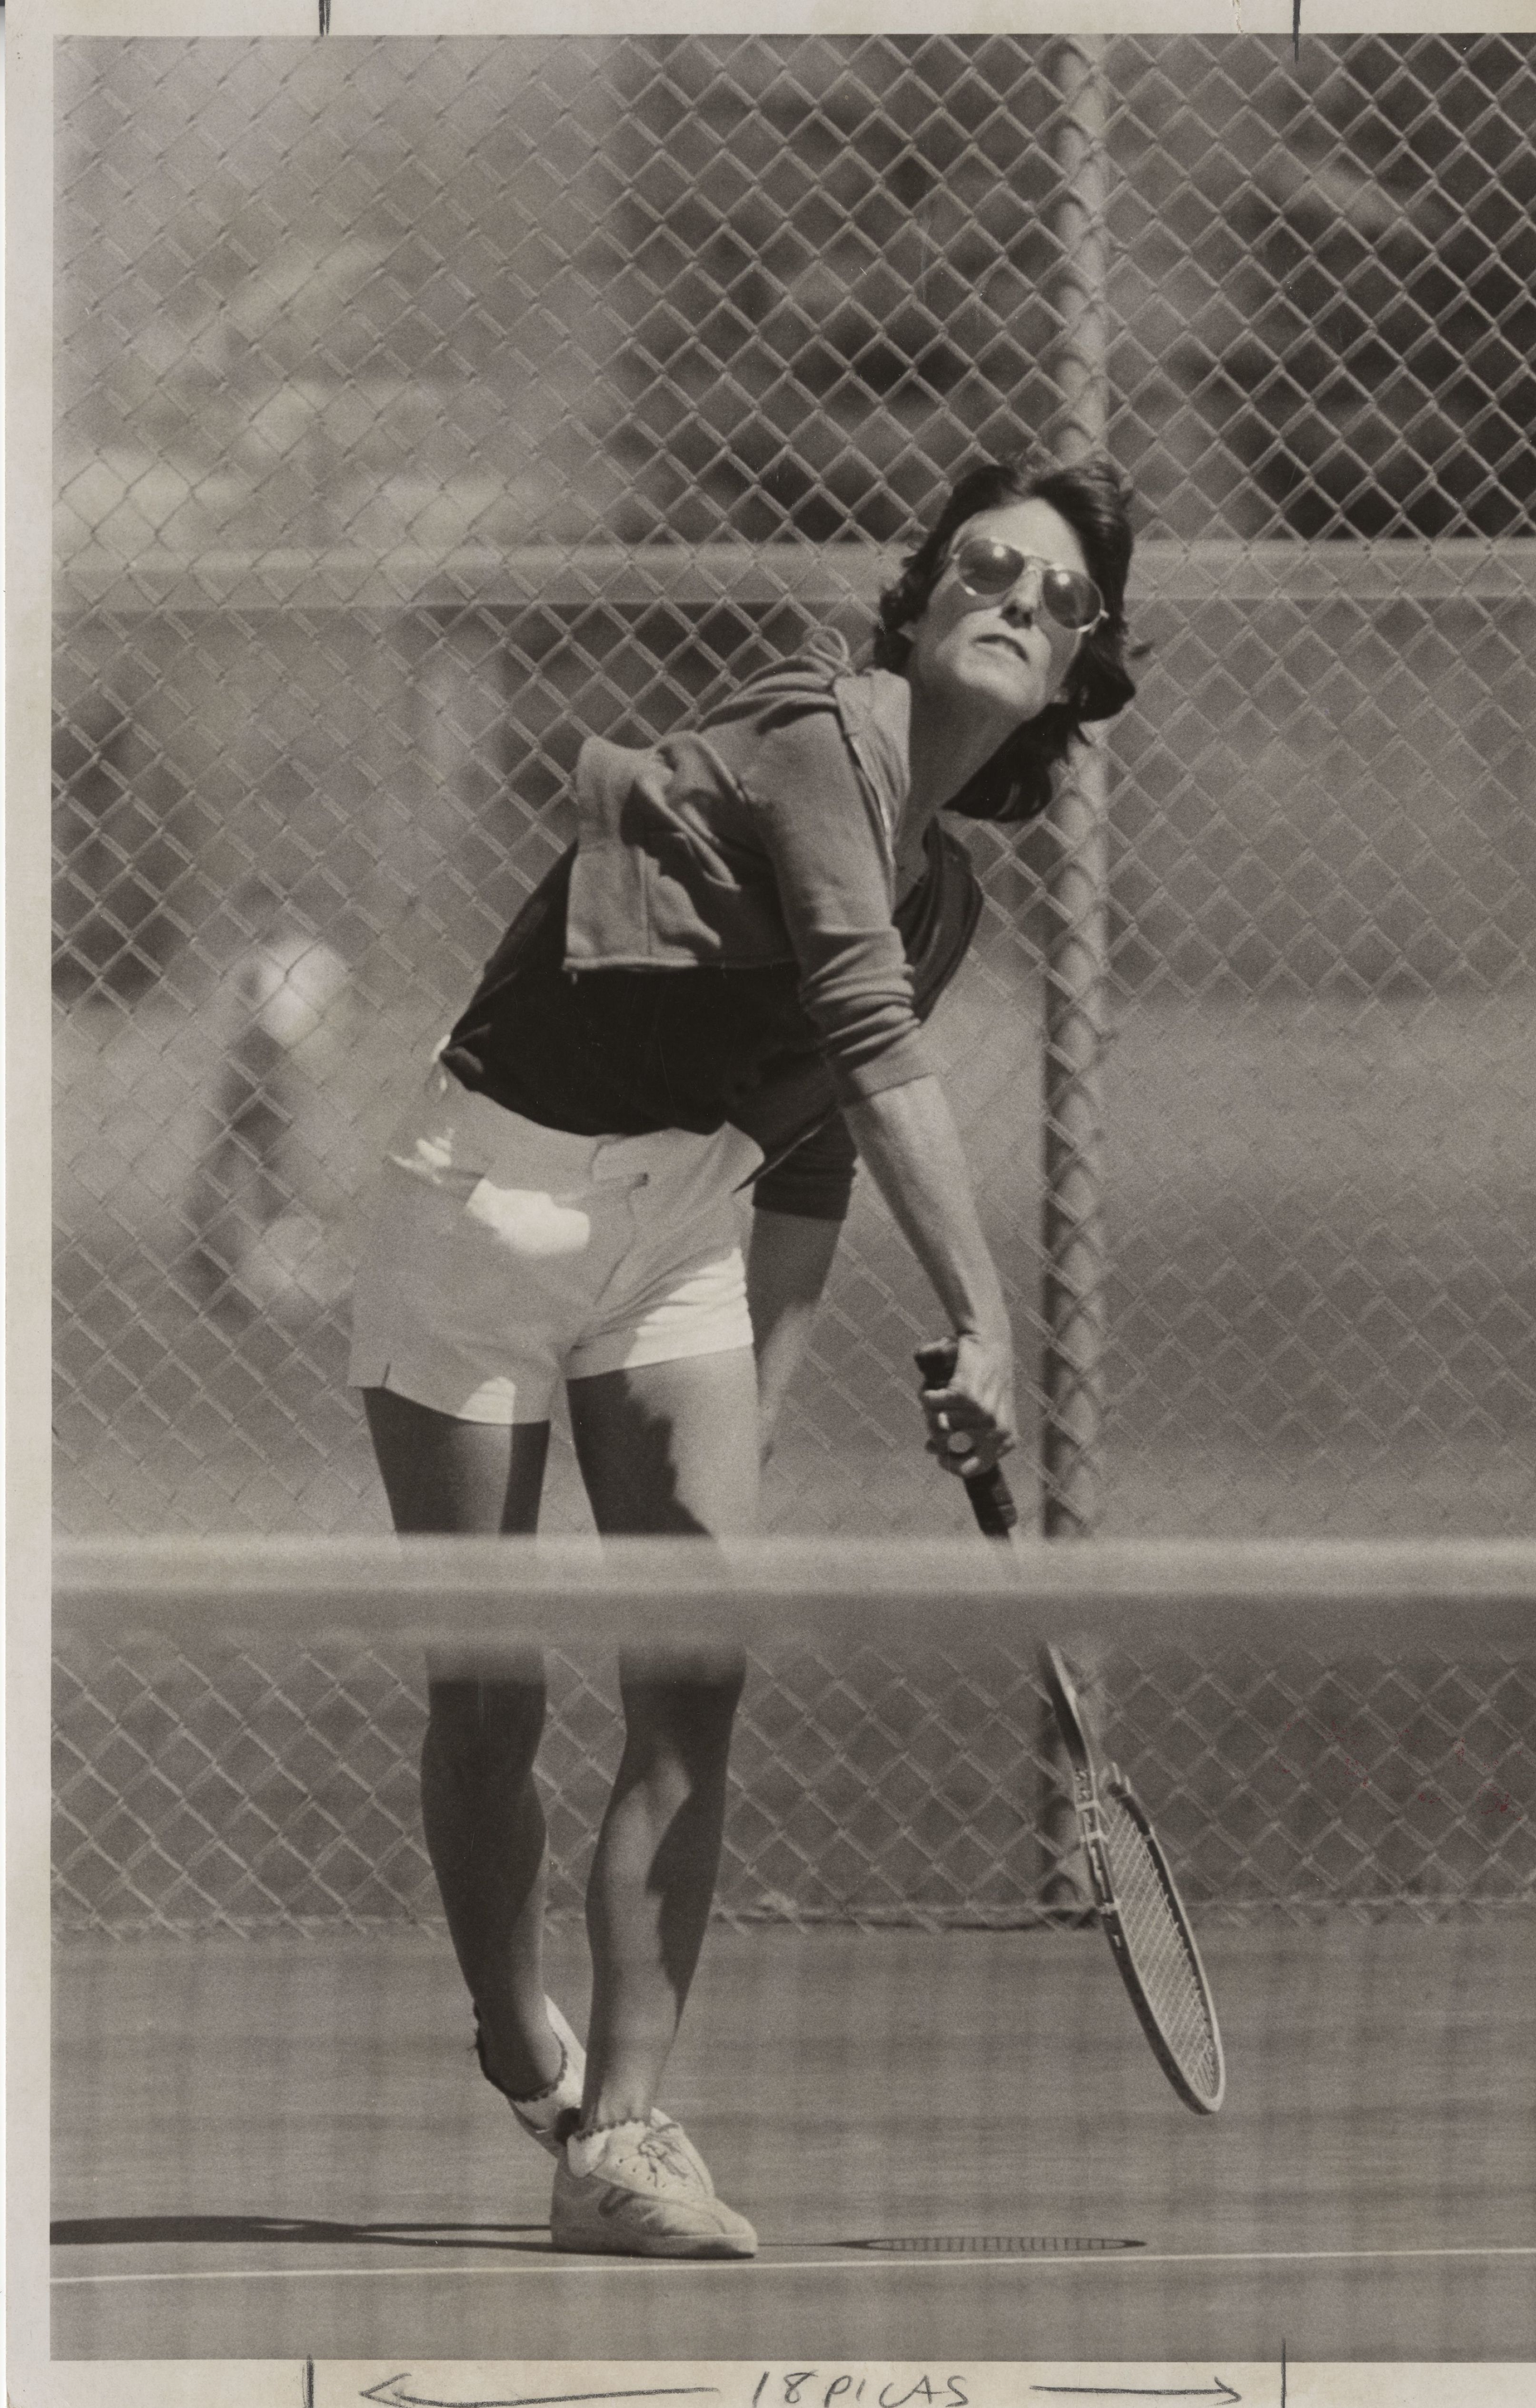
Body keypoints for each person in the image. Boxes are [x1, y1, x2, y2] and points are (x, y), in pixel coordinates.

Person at [349, 456, 1138, 2259]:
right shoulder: (812, 730)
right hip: (483, 1198)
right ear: (924, 597)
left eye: (1057, 595)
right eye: (984, 567)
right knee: (492, 1697)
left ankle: (622, 2139)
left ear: (1084, 663)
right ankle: (507, 2019)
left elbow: (807, 1144)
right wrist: (986, 1314)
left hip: (678, 1239)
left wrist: (759, 1408)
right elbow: (859, 1034)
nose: (1014, 598)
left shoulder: (950, 900)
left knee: (696, 1670)